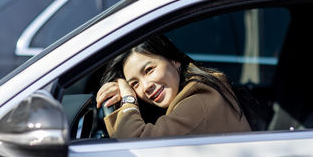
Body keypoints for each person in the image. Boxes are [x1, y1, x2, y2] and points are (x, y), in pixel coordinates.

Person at [96, 35, 251, 138]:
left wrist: (128, 98)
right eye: (134, 84)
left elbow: (135, 146)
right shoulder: (200, 90)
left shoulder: (200, 100)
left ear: (174, 61)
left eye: (149, 70)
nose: (145, 87)